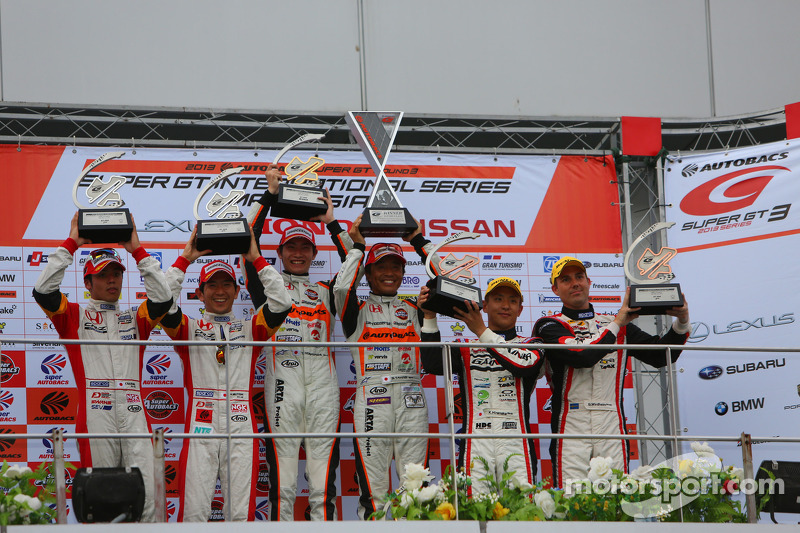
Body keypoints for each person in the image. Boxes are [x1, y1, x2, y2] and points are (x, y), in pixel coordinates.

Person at [32, 212, 172, 522]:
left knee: (147, 492)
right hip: (96, 414)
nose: (112, 280)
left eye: (116, 274)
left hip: (135, 413)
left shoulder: (137, 317)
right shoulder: (73, 316)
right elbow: (43, 291)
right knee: (102, 493)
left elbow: (164, 299)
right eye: (104, 275)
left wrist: (136, 249)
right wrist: (72, 243)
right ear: (88, 282)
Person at [242, 163, 353, 521]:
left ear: (314, 253)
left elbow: (354, 262)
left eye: (305, 247)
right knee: (284, 483)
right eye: (292, 247)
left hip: (323, 385)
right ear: (280, 251)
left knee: (323, 486)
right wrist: (269, 196)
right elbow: (248, 241)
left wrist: (330, 221)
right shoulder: (268, 286)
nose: (299, 254)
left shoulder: (327, 292)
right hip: (283, 387)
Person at [160, 227, 291, 521]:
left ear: (237, 290)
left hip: (241, 424)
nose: (219, 291)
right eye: (212, 285)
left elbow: (282, 303)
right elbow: (161, 302)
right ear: (200, 293)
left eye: (226, 285)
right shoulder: (187, 328)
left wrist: (256, 258)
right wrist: (184, 259)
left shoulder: (251, 329)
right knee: (194, 510)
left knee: (240, 513)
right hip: (200, 423)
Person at [533, 257, 691, 488]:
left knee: (615, 492)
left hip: (611, 420)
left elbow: (660, 356)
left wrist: (682, 321)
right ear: (555, 289)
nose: (575, 283)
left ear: (589, 282)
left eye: (579, 277)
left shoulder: (615, 324)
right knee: (570, 494)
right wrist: (617, 324)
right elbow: (581, 356)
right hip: (570, 421)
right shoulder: (549, 325)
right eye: (565, 280)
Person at [332, 215, 437, 520]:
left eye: (396, 266)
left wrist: (419, 241)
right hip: (372, 398)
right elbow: (341, 288)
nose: (389, 273)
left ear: (404, 272)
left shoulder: (418, 308)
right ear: (368, 272)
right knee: (374, 489)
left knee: (415, 486)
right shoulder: (357, 310)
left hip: (412, 399)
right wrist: (358, 247)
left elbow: (451, 278)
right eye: (381, 266)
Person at [419, 277, 544, 494]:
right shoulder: (466, 348)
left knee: (521, 510)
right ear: (484, 305)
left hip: (517, 441)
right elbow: (432, 363)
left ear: (521, 309)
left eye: (513, 301)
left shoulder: (532, 344)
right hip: (476, 441)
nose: (506, 306)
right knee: (475, 511)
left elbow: (525, 367)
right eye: (498, 299)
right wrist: (429, 315)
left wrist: (481, 331)